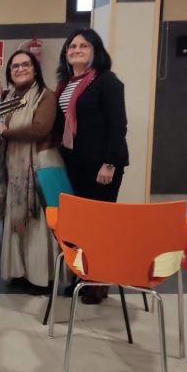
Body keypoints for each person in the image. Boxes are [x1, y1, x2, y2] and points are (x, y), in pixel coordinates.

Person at [55, 28, 129, 304]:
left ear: (95, 50)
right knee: (82, 225)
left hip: (102, 165)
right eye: (72, 46)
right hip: (75, 164)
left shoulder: (106, 82)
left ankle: (99, 281)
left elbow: (117, 125)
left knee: (100, 225)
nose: (76, 50)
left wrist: (110, 163)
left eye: (83, 46)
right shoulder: (66, 84)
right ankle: (83, 276)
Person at [0, 50, 57, 295]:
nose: (20, 69)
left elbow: (39, 129)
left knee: (36, 223)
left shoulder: (45, 96)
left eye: (25, 65)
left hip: (38, 167)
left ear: (35, 69)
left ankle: (40, 277)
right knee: (16, 221)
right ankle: (20, 272)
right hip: (14, 167)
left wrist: (5, 132)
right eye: (14, 66)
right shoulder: (10, 96)